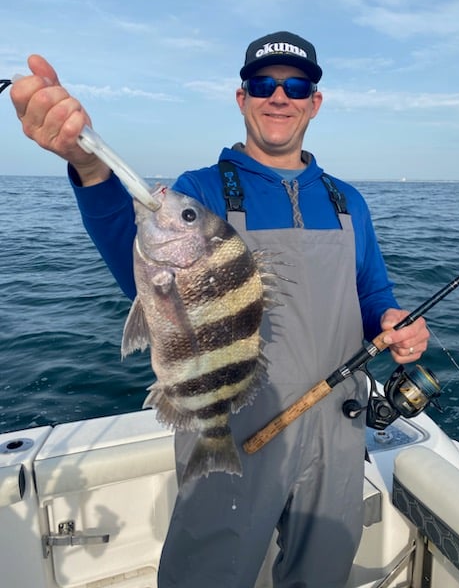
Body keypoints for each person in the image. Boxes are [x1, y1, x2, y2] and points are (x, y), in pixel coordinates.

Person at [11, 31, 429, 588]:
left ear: (314, 102)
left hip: (338, 425)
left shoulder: (347, 200)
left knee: (325, 572)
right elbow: (134, 265)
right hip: (233, 422)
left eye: (295, 85)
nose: (279, 96)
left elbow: (372, 291)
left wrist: (393, 321)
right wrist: (90, 170)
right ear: (242, 98)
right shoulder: (199, 191)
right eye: (263, 84)